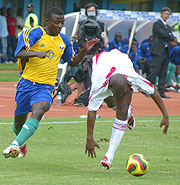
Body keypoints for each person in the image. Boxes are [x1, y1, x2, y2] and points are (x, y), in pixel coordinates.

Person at [2, 7, 99, 159]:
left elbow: (72, 62)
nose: (60, 26)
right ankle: (22, 141)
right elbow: (18, 53)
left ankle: (15, 144)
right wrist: (37, 53)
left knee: (39, 110)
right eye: (56, 22)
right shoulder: (35, 33)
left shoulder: (64, 40)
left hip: (46, 86)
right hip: (26, 84)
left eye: (62, 23)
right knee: (18, 124)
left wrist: (84, 51)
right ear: (47, 22)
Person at [85, 49, 169, 169]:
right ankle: (128, 110)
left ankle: (109, 156)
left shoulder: (133, 77)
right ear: (110, 87)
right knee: (110, 102)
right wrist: (89, 137)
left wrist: (165, 115)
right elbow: (92, 110)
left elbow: (152, 91)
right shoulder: (98, 86)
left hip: (122, 61)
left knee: (122, 110)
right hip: (100, 63)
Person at [147, 7, 174, 98]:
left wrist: (169, 35)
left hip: (165, 51)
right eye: (165, 14)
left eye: (168, 14)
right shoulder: (157, 24)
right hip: (157, 51)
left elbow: (171, 37)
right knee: (154, 71)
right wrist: (169, 35)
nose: (166, 16)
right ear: (161, 14)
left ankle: (161, 92)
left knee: (163, 72)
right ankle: (148, 90)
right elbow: (164, 34)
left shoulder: (168, 26)